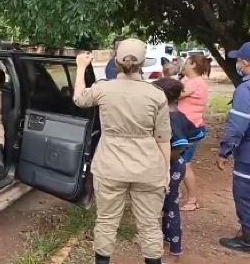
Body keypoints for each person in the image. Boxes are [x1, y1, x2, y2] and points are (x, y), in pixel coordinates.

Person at [74, 38, 171, 264]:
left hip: (110, 166)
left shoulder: (103, 89)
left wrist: (81, 68)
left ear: (116, 62)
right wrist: (165, 171)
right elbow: (163, 139)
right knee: (149, 224)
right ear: (143, 63)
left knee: (106, 221)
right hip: (148, 169)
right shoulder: (156, 95)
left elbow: (79, 99)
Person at [153, 78, 205, 263]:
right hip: (178, 165)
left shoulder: (170, 117)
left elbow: (179, 145)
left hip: (171, 167)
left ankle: (175, 248)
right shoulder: (181, 114)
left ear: (162, 95)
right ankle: (168, 238)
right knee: (168, 204)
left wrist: (166, 159)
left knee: (171, 206)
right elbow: (198, 133)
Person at [217, 42, 250, 252]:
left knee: (244, 194)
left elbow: (237, 126)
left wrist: (224, 151)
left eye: (239, 59)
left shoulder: (245, 90)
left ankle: (247, 239)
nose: (237, 63)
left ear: (246, 62)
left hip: (247, 156)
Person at [178, 55, 211, 211]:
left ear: (192, 64)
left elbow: (174, 93)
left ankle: (193, 200)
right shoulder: (190, 82)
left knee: (184, 163)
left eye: (185, 63)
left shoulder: (195, 83)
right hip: (185, 129)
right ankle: (176, 193)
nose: (183, 66)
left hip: (191, 130)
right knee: (177, 162)